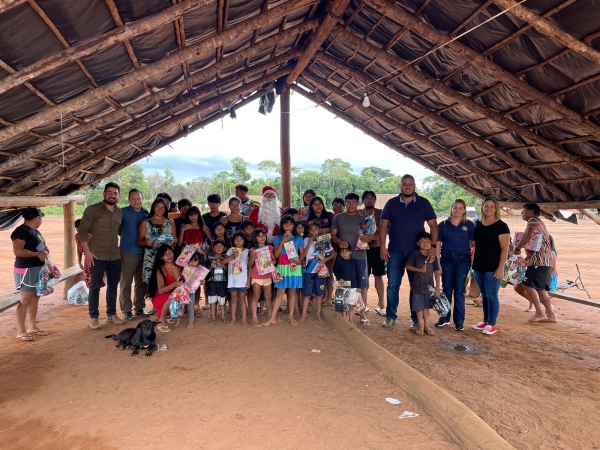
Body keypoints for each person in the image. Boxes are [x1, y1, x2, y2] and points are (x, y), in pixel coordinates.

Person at [379, 175, 438, 330]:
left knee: (417, 286)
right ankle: (391, 316)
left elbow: (433, 226)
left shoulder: (424, 203)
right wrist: (383, 247)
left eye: (410, 184)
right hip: (395, 251)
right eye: (404, 184)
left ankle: (415, 319)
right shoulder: (391, 203)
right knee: (393, 285)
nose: (407, 186)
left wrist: (432, 247)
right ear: (400, 186)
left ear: (414, 185)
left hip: (417, 253)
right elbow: (383, 226)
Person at [77, 182, 124, 329]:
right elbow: (82, 232)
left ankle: (111, 314)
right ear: (104, 194)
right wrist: (88, 253)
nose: (112, 195)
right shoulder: (92, 210)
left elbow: (120, 231)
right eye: (109, 192)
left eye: (115, 193)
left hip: (114, 255)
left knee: (112, 286)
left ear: (119, 196)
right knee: (95, 287)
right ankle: (94, 317)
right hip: (96, 255)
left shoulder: (119, 212)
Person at [331, 193, 375, 324]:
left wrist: (369, 238)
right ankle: (344, 314)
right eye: (348, 202)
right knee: (342, 285)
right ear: (345, 203)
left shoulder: (364, 217)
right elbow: (333, 236)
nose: (351, 205)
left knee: (361, 286)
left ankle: (362, 314)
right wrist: (339, 241)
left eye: (354, 202)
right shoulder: (338, 217)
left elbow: (375, 234)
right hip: (343, 257)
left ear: (358, 204)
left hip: (360, 256)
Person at [512, 203, 558, 323]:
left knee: (527, 284)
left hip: (540, 262)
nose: (522, 213)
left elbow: (527, 236)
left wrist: (517, 248)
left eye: (524, 211)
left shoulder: (533, 221)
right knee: (540, 288)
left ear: (531, 212)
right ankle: (550, 315)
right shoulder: (538, 223)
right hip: (542, 262)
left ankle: (539, 312)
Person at [471, 196, 510, 335]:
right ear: (482, 208)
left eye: (491, 206)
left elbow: (505, 249)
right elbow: (476, 244)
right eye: (486, 206)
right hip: (479, 265)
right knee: (485, 295)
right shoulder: (478, 224)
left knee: (492, 295)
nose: (488, 209)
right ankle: (486, 321)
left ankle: (492, 323)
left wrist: (500, 268)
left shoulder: (501, 226)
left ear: (496, 209)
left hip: (493, 266)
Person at [435, 199, 475, 331]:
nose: (457, 210)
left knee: (459, 290)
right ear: (451, 209)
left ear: (464, 211)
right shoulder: (443, 225)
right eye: (455, 207)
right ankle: (444, 318)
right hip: (446, 259)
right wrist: (438, 263)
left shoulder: (469, 225)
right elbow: (438, 244)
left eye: (460, 208)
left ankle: (459, 321)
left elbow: (474, 243)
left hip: (463, 260)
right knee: (446, 289)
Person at [11, 207, 50, 341]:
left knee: (35, 297)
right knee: (25, 299)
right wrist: (37, 254)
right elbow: (18, 251)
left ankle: (32, 326)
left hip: (37, 268)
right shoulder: (20, 231)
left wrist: (45, 251)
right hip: (26, 269)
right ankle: (21, 331)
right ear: (37, 218)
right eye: (41, 219)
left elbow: (42, 247)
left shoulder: (35, 231)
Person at [265, 215, 304, 327]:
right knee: (280, 293)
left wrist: (297, 261)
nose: (288, 226)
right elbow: (276, 255)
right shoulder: (278, 238)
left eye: (290, 223)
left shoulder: (298, 238)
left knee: (292, 292)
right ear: (282, 225)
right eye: (285, 223)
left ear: (293, 225)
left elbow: (301, 253)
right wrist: (283, 241)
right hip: (282, 266)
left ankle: (291, 317)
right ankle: (272, 317)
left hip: (294, 267)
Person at [119, 189, 150, 321]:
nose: (136, 201)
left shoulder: (146, 213)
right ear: (129, 200)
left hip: (143, 253)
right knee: (126, 282)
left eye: (138, 198)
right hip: (127, 252)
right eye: (133, 198)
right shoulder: (123, 212)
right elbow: (118, 229)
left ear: (142, 199)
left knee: (141, 282)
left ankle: (139, 307)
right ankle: (126, 310)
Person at [405, 232, 441, 336]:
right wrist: (419, 269)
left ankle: (427, 326)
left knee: (426, 307)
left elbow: (436, 272)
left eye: (427, 241)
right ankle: (420, 326)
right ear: (417, 243)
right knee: (419, 308)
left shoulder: (432, 256)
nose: (425, 243)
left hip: (428, 288)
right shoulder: (415, 254)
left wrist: (437, 286)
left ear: (431, 242)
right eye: (422, 241)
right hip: (417, 287)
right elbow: (407, 266)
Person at [302, 220, 336, 322]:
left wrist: (326, 259)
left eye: (316, 229)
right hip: (309, 270)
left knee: (319, 294)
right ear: (308, 231)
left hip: (320, 271)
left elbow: (334, 253)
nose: (314, 232)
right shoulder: (306, 240)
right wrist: (310, 243)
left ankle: (318, 314)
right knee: (307, 294)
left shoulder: (324, 240)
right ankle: (304, 314)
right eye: (311, 230)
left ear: (319, 230)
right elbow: (304, 254)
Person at [139, 197, 177, 285]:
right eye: (157, 207)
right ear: (153, 207)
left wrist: (174, 240)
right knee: (152, 285)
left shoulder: (170, 222)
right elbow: (139, 241)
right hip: (151, 259)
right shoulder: (145, 222)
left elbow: (175, 241)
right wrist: (146, 242)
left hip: (167, 260)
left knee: (167, 284)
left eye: (163, 207)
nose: (160, 209)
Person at [145, 244, 182, 333]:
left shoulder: (179, 266)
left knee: (178, 298)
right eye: (165, 254)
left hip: (174, 294)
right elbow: (161, 290)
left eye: (170, 253)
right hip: (162, 297)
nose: (169, 256)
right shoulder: (160, 270)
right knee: (172, 298)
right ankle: (161, 321)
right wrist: (175, 284)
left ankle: (168, 316)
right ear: (161, 258)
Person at [362, 191, 386, 317]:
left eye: (372, 198)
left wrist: (373, 238)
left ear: (375, 200)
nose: (369, 200)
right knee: (363, 278)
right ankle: (363, 305)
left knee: (378, 276)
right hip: (363, 250)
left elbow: (384, 230)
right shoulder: (359, 213)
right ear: (363, 201)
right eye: (367, 198)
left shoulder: (380, 213)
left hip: (377, 249)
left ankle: (382, 304)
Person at [248, 229, 275, 327]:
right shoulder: (252, 250)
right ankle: (255, 318)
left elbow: (274, 260)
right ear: (255, 238)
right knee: (256, 297)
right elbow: (250, 264)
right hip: (256, 276)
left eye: (263, 235)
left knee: (268, 297)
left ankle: (270, 315)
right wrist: (253, 258)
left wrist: (273, 262)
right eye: (259, 236)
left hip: (268, 275)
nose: (262, 237)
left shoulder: (270, 248)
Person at [223, 232, 250, 326]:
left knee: (242, 299)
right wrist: (232, 256)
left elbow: (250, 266)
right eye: (236, 239)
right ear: (233, 241)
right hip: (232, 280)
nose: (238, 241)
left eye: (241, 239)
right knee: (233, 299)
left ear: (244, 241)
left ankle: (244, 319)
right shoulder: (230, 250)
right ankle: (233, 318)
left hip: (242, 279)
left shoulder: (247, 251)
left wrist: (249, 280)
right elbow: (223, 261)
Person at [333, 247, 362, 326]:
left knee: (351, 304)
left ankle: (351, 320)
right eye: (342, 252)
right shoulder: (339, 262)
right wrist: (339, 278)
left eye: (346, 251)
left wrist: (359, 286)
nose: (344, 254)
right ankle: (345, 319)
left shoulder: (354, 262)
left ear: (350, 252)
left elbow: (359, 274)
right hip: (343, 287)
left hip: (353, 287)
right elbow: (335, 271)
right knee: (343, 304)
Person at [75, 219, 106, 289]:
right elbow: (79, 250)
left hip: (96, 259)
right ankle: (92, 296)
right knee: (89, 282)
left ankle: (94, 296)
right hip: (87, 261)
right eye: (78, 230)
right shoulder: (77, 237)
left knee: (96, 281)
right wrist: (79, 262)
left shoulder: (92, 235)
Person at [207, 239, 228, 324]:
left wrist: (222, 265)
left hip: (222, 283)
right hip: (212, 283)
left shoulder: (225, 258)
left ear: (224, 248)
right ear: (213, 248)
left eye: (221, 246)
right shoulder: (209, 257)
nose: (218, 248)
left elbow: (227, 270)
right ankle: (213, 317)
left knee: (222, 300)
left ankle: (223, 316)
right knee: (212, 300)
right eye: (216, 246)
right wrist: (211, 267)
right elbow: (206, 270)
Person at [184, 251, 207, 330]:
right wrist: (189, 250)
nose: (192, 262)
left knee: (190, 306)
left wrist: (202, 281)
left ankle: (191, 322)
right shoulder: (185, 266)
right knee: (180, 305)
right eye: (190, 260)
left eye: (195, 260)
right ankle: (178, 320)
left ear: (199, 261)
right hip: (182, 290)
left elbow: (202, 281)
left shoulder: (201, 270)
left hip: (192, 291)